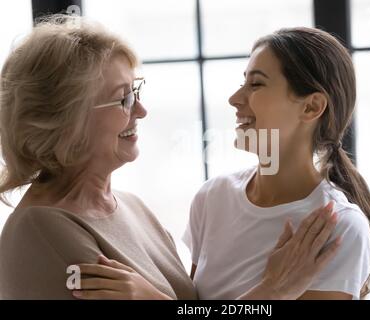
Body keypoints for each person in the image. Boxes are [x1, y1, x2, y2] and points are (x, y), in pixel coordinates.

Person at [0, 16, 339, 300]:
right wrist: (275, 290)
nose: (141, 111)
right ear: (67, 118)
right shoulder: (42, 229)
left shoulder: (132, 207)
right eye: (123, 100)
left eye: (136, 92)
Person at [74, 27, 370, 300]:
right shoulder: (213, 197)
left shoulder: (335, 228)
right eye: (243, 81)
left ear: (311, 107)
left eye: (256, 84)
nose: (235, 98)